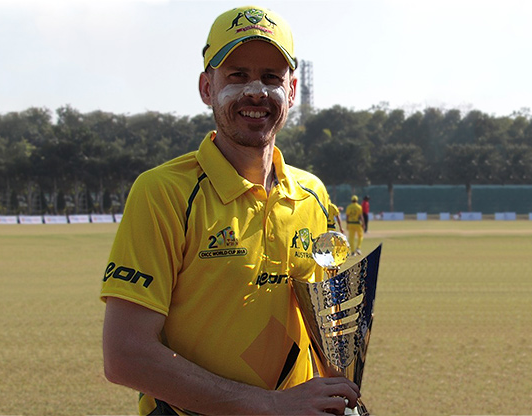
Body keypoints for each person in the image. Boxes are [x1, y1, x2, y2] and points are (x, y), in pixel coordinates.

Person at [101, 6, 360, 415]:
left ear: (291, 91)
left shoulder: (312, 195)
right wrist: (270, 405)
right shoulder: (163, 193)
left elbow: (327, 331)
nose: (256, 91)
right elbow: (125, 355)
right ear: (206, 87)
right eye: (237, 75)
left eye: (271, 77)